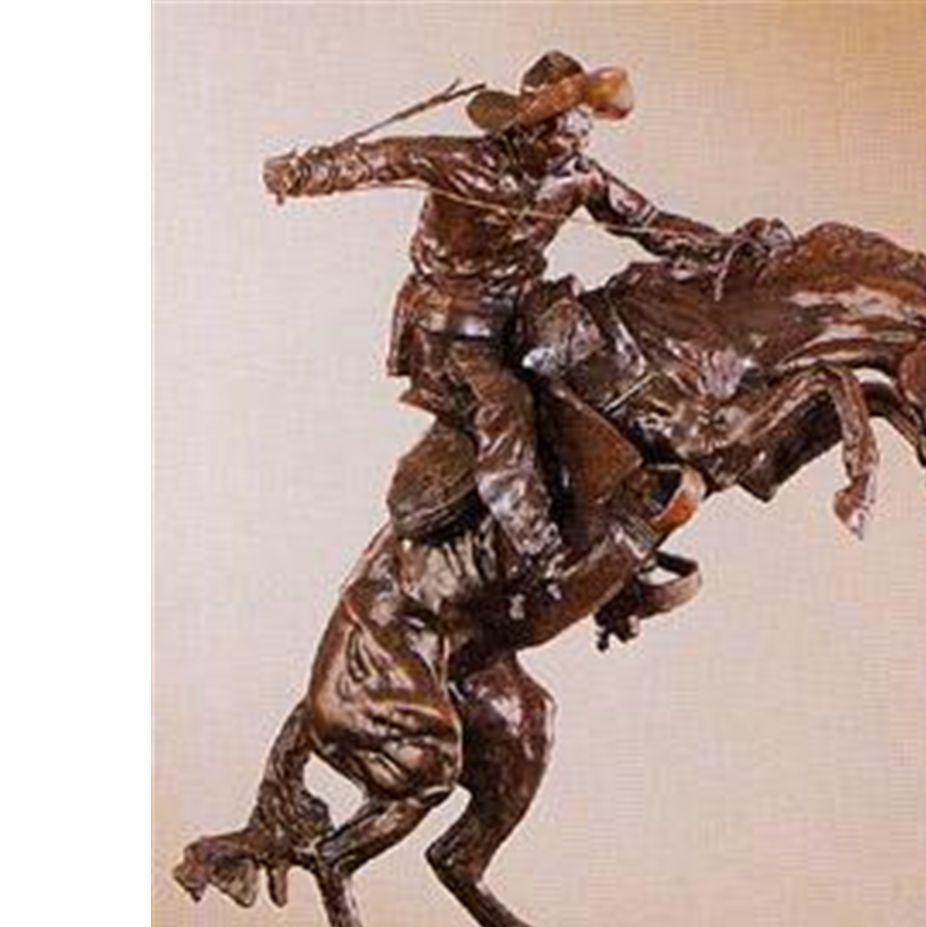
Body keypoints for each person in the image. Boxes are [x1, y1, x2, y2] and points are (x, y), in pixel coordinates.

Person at [263, 51, 727, 586]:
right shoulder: (459, 162)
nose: (569, 153)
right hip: (450, 333)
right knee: (506, 404)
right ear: (526, 129)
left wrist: (726, 249)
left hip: (523, 315)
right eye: (559, 139)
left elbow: (649, 223)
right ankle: (540, 548)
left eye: (579, 141)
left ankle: (618, 502)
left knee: (606, 353)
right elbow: (381, 159)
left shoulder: (577, 176)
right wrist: (305, 172)